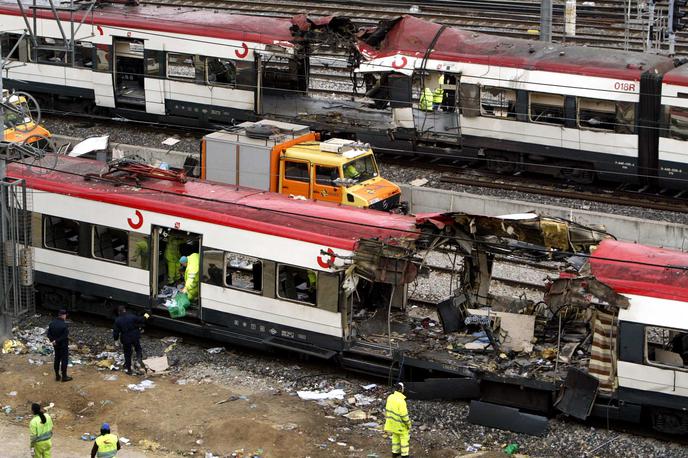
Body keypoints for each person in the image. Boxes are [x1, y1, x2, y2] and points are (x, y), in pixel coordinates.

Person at [113, 306, 150, 375]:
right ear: (124, 310)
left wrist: (116, 340)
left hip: (126, 338)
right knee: (138, 348)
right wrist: (147, 315)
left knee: (127, 354)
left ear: (119, 312)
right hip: (135, 336)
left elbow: (116, 332)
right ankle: (139, 360)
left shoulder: (117, 320)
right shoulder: (131, 316)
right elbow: (142, 319)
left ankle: (129, 369)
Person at [384, 382, 411, 458]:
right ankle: (405, 455)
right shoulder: (401, 401)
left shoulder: (390, 397)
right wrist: (408, 424)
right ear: (401, 389)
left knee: (395, 437)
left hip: (392, 423)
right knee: (404, 439)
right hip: (400, 425)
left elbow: (387, 410)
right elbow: (404, 416)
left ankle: (395, 453)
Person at [47, 309, 72, 382]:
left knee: (57, 359)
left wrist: (53, 341)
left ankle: (57, 376)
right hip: (63, 345)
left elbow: (48, 334)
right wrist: (57, 340)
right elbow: (64, 336)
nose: (66, 317)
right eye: (65, 316)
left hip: (56, 345)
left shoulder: (52, 323)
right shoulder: (64, 325)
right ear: (63, 315)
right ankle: (64, 377)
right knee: (64, 360)